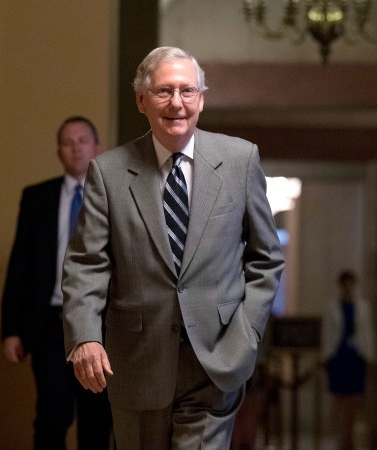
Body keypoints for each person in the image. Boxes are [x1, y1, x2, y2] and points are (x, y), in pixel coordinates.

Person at [62, 47, 285, 449]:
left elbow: (266, 258)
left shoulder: (240, 160)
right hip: (136, 363)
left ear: (201, 98)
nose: (177, 104)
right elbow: (85, 264)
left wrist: (247, 331)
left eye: (188, 91)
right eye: (164, 91)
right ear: (141, 100)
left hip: (217, 360)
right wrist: (85, 336)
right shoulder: (108, 172)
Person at [1, 116, 113, 450]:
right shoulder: (37, 198)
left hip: (100, 322)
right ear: (59, 152)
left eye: (82, 141)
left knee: (96, 417)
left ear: (96, 148)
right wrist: (11, 329)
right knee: (52, 414)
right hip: (49, 321)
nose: (75, 148)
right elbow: (19, 263)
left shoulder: (114, 196)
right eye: (67, 142)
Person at [322, 270, 375, 450]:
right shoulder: (333, 307)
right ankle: (341, 438)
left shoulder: (363, 307)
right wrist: (326, 356)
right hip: (339, 355)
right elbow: (328, 333)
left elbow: (367, 333)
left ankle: (349, 437)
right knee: (339, 399)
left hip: (356, 356)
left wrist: (369, 357)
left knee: (354, 399)